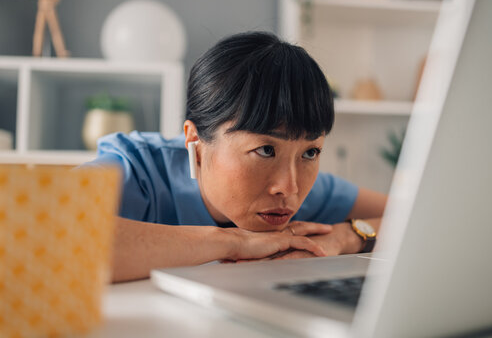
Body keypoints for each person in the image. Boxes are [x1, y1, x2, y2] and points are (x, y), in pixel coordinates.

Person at [87, 32, 387, 283]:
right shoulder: (135, 168)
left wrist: (345, 236)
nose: (290, 188)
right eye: (266, 150)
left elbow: (416, 215)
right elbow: (45, 234)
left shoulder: (298, 186)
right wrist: (234, 243)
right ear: (195, 140)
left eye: (310, 152)